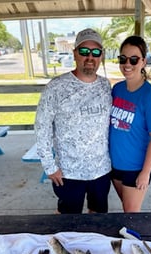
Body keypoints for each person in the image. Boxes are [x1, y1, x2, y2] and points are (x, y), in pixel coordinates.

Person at [35, 28, 112, 214]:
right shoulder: (56, 87)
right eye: (84, 51)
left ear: (101, 56)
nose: (90, 57)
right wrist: (49, 167)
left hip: (101, 170)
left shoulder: (105, 85)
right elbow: (41, 128)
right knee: (67, 224)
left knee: (98, 220)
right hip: (68, 172)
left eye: (96, 52)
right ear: (75, 53)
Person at [109, 35, 151, 212]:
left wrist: (145, 173)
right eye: (123, 58)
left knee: (132, 216)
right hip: (114, 164)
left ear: (143, 61)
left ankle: (136, 241)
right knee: (127, 210)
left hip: (136, 167)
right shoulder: (117, 89)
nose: (128, 64)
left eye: (134, 59)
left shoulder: (150, 96)